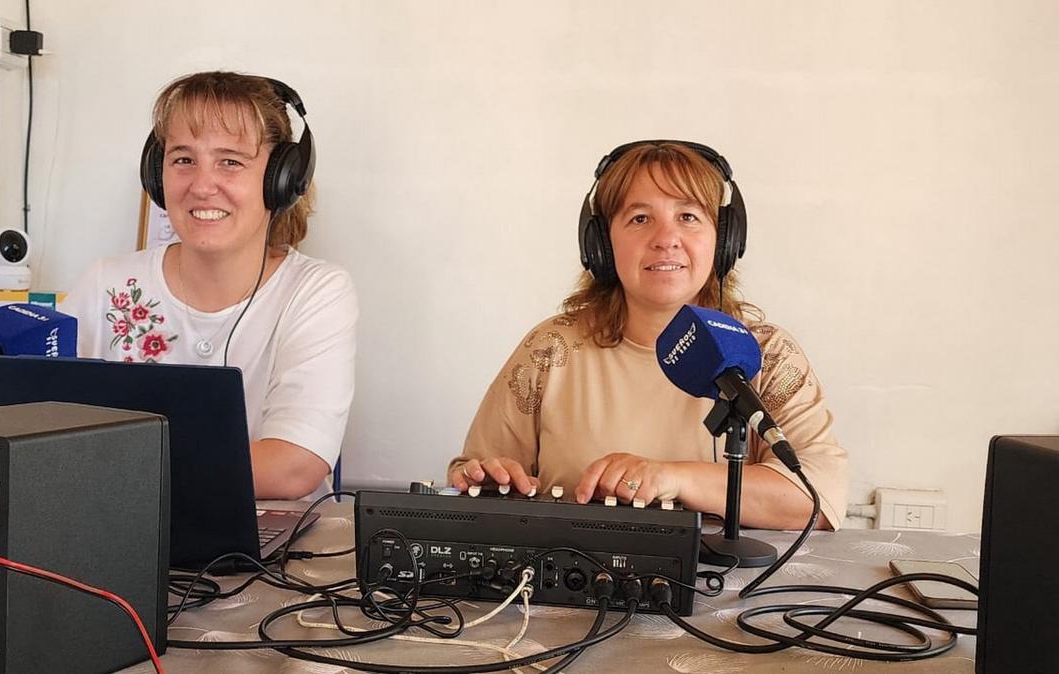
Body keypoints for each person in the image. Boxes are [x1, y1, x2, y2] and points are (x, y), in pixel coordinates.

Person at [448, 141, 847, 530]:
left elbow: (819, 497)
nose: (665, 239)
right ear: (602, 244)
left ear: (724, 240)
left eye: (688, 216)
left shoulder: (765, 353)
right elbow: (475, 473)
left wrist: (674, 479)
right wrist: (487, 481)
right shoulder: (550, 350)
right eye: (640, 218)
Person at [63, 71, 357, 500]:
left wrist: (112, 468)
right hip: (115, 539)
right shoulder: (106, 284)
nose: (202, 186)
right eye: (183, 159)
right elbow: (35, 426)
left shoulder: (316, 293)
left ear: (281, 179)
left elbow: (294, 466)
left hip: (271, 558)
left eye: (231, 161)